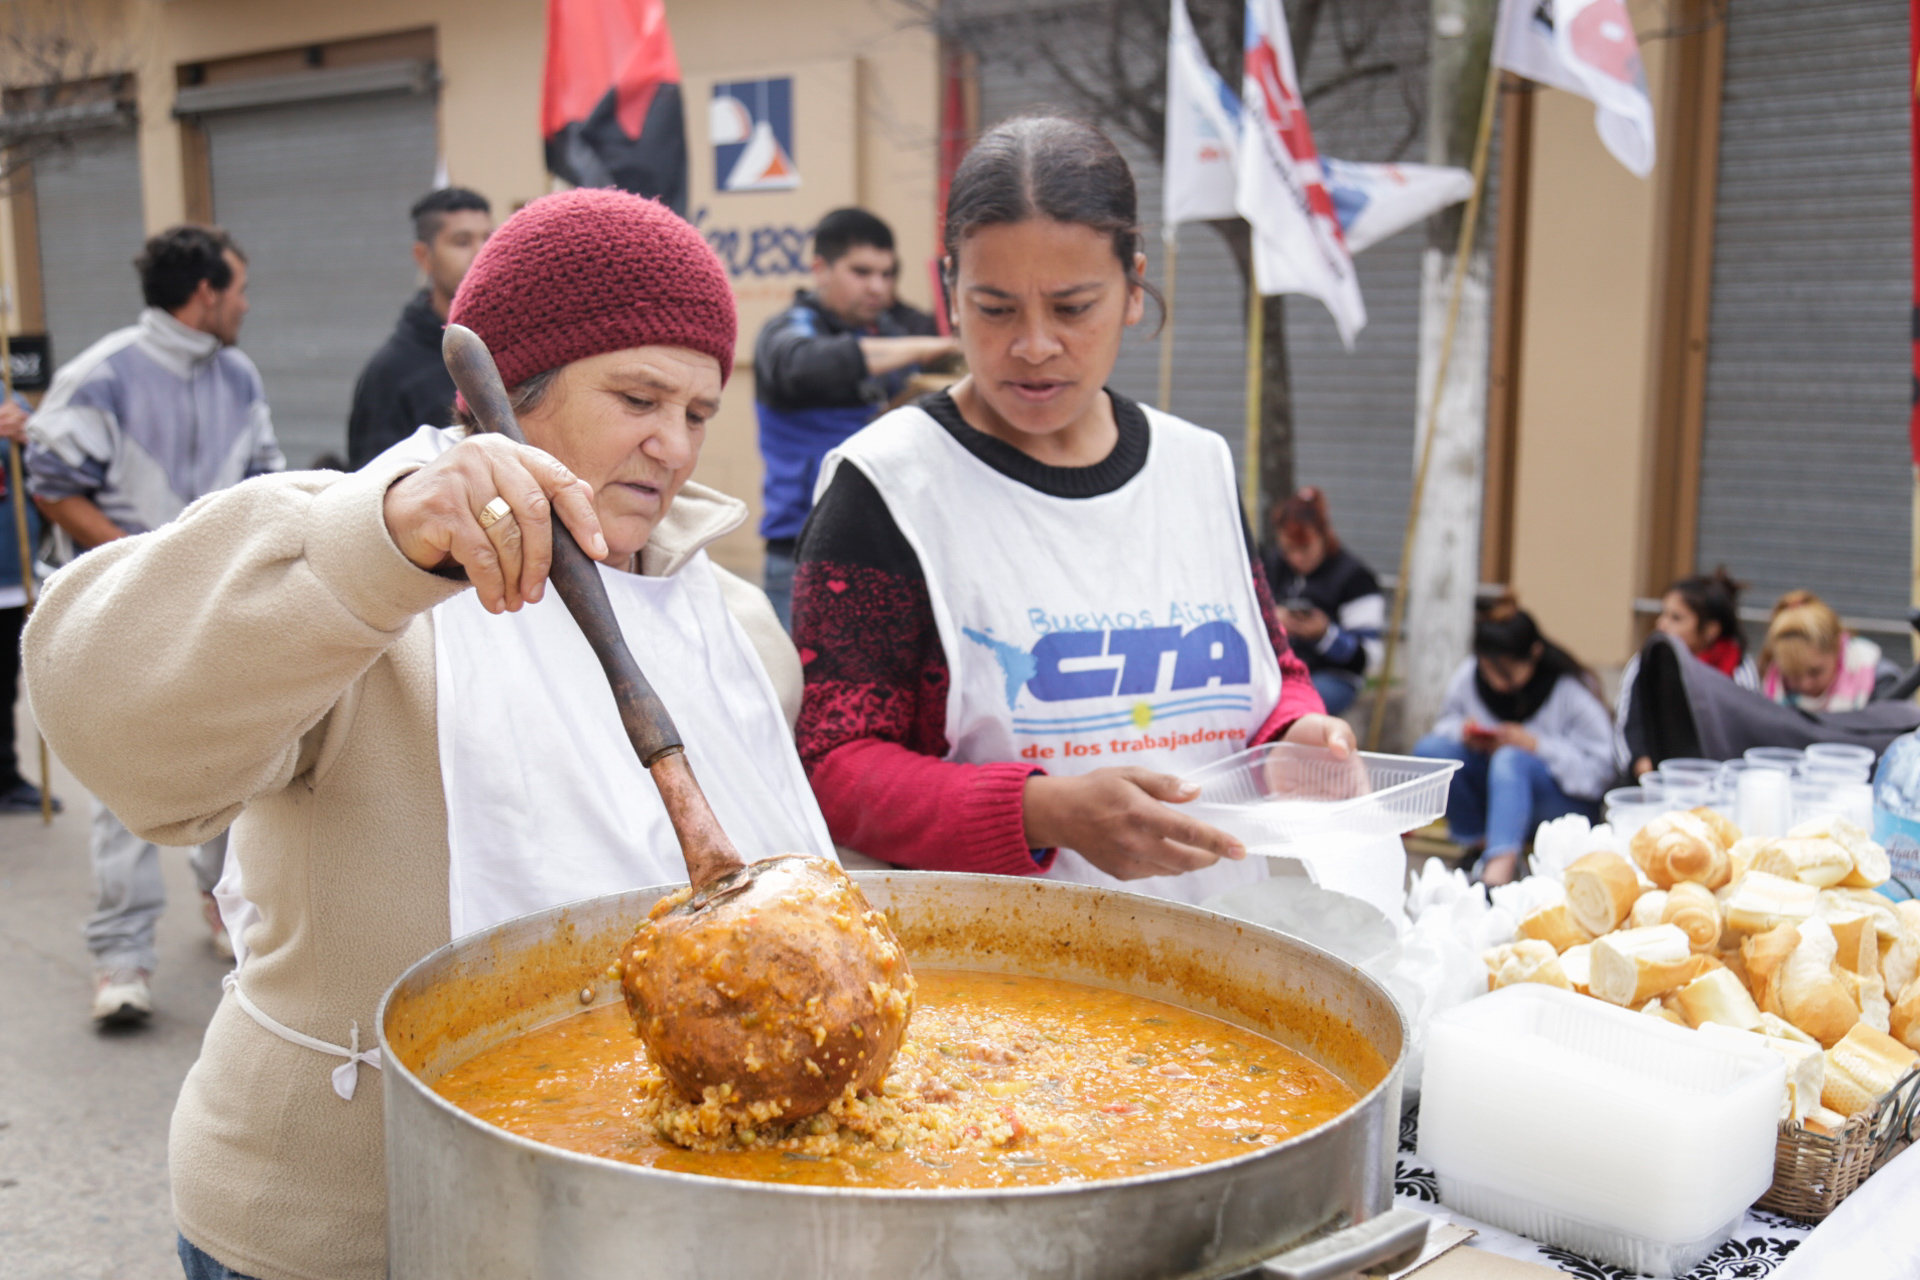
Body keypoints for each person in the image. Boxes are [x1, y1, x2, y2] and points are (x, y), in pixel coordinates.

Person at [24, 188, 815, 1280]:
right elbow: (103, 711)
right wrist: (381, 547)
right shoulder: (365, 561)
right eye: (638, 396)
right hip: (352, 1228)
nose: (672, 446)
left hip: (655, 1224)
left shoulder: (728, 623)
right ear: (510, 394)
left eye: (697, 410)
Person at [790, 116, 1352, 906]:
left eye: (1073, 306)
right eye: (994, 308)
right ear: (948, 289)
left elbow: (1269, 676)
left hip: (1231, 959)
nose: (1034, 344)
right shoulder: (888, 487)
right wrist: (1043, 810)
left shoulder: (1197, 466)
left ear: (1133, 288)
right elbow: (836, 766)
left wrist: (1298, 734)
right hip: (1013, 985)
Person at [26, 224, 282, 1024]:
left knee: (228, 772)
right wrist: (152, 555)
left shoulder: (239, 376)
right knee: (124, 792)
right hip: (120, 613)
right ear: (205, 294)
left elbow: (264, 480)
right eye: (237, 286)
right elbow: (52, 484)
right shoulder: (99, 376)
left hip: (214, 610)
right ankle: (120, 960)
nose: (246, 301)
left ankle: (220, 909)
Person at [753, 207, 957, 626]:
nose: (877, 287)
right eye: (861, 272)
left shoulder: (893, 329)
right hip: (802, 555)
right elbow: (799, 363)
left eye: (887, 274)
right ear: (820, 269)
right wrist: (922, 350)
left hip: (887, 550)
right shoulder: (787, 330)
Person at [1413, 601, 1613, 886]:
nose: (1495, 682)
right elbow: (1443, 725)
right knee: (1432, 751)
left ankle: (1498, 873)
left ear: (1534, 654)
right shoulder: (1469, 677)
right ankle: (1479, 844)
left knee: (1510, 758)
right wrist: (1465, 734)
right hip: (1498, 794)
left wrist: (1536, 746)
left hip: (1559, 804)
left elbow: (1600, 771)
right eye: (1487, 670)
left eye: (1505, 671)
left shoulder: (1570, 690)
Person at [346, 187, 494, 468]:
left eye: (489, 239)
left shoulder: (509, 347)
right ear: (423, 256)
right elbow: (373, 491)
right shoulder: (391, 373)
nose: (481, 254)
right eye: (461, 242)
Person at [1616, 569, 1757, 775]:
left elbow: (1747, 731)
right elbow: (1628, 726)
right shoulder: (1645, 662)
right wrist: (1643, 767)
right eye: (1662, 614)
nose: (1661, 624)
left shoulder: (1739, 668)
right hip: (1655, 780)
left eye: (1676, 618)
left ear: (1710, 630)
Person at [1262, 486, 1383, 716]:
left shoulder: (1356, 578)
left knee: (1295, 706)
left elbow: (1369, 657)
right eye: (1289, 549)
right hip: (1278, 671)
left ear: (1324, 536)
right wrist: (1272, 619)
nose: (1296, 558)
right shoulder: (1274, 565)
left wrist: (1324, 634)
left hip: (1332, 676)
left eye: (1305, 548)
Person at [0, 396, 56, 813]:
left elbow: (52, 467)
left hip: (10, 573)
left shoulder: (11, 400)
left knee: (5, 684)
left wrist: (30, 433)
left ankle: (5, 776)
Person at [1761, 589, 1899, 713]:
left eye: (1815, 672)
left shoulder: (1882, 681)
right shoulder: (1767, 681)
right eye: (1793, 674)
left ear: (1837, 648)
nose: (1805, 684)